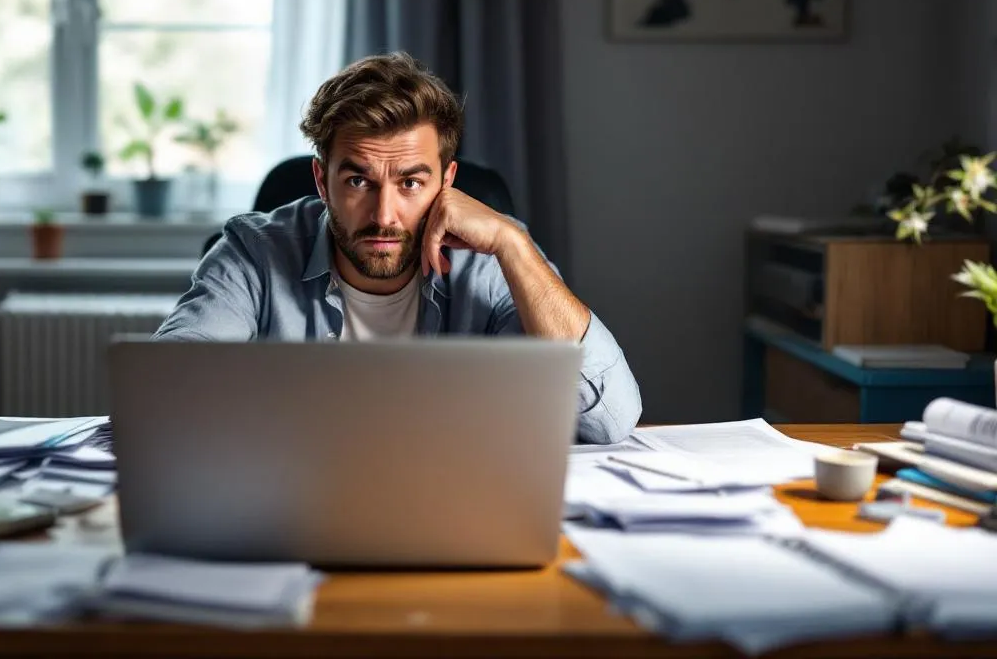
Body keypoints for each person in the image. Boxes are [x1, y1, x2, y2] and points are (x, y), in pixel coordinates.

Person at [153, 52, 641, 444]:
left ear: (447, 182)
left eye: (410, 182)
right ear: (322, 181)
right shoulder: (253, 253)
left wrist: (514, 245)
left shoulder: (492, 259)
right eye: (358, 180)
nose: (384, 214)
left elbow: (609, 421)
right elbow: (162, 400)